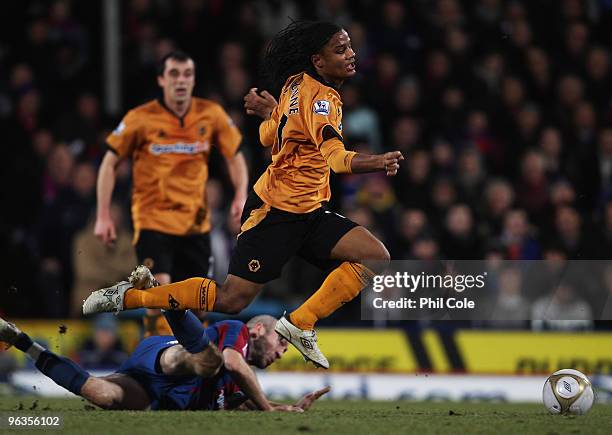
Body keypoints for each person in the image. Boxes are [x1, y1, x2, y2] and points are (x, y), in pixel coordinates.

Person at [84, 21, 403, 369]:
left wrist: (272, 113)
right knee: (231, 298)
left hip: (309, 210)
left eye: (350, 46)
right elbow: (337, 160)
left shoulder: (296, 85)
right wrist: (377, 160)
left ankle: (300, 324)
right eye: (340, 49)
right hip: (276, 212)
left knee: (375, 256)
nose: (351, 54)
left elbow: (270, 136)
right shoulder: (324, 101)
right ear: (319, 61)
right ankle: (127, 297)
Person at [94, 50, 248, 335]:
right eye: (174, 74)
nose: (181, 81)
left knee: (198, 304)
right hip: (153, 223)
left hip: (196, 225)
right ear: (161, 80)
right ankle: (158, 358)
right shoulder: (140, 119)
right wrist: (103, 214)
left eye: (187, 74)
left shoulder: (210, 114)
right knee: (159, 294)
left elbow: (236, 157)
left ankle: (191, 359)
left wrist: (240, 196)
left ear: (193, 80)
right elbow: (109, 163)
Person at [0, 314, 328, 411]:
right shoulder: (237, 332)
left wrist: (287, 409)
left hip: (154, 390)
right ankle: (164, 297)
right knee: (206, 362)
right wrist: (272, 413)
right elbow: (232, 362)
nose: (282, 352)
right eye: (282, 342)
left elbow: (243, 404)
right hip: (167, 355)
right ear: (258, 330)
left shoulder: (236, 386)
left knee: (102, 394)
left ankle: (22, 342)